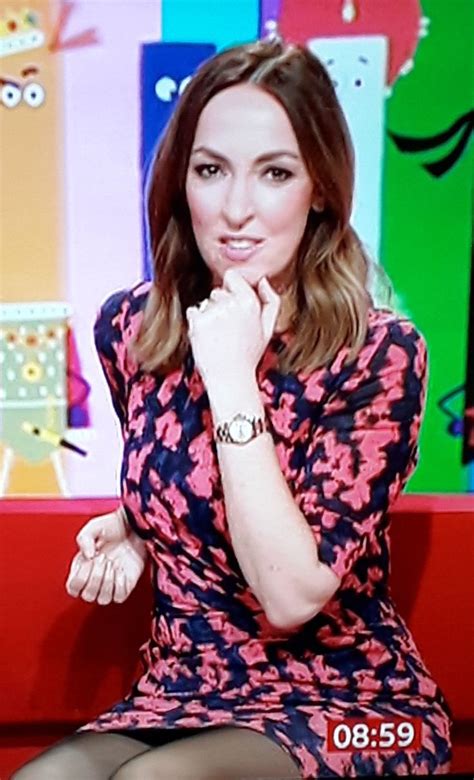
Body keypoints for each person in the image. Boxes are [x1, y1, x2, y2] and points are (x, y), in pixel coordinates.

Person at [14, 38, 452, 780]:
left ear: (319, 188)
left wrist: (231, 378)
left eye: (275, 173)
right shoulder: (132, 330)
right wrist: (137, 530)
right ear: (181, 180)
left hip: (355, 708)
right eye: (211, 170)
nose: (237, 209)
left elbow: (290, 592)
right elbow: (192, 481)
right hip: (182, 694)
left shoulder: (378, 353)